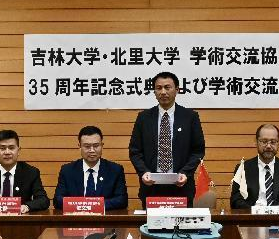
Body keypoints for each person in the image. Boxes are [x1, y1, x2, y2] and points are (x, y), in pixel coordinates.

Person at [129, 71, 205, 207]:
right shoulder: (144, 118)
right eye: (158, 88)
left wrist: (185, 172)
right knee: (151, 222)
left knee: (181, 222)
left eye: (167, 87)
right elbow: (135, 151)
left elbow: (197, 151)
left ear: (177, 90)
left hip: (181, 186)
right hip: (151, 186)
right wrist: (144, 172)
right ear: (154, 91)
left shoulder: (190, 117)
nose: (163, 92)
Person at [54, 125, 128, 211]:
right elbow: (58, 200)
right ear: (79, 146)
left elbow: (122, 200)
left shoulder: (115, 170)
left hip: (105, 218)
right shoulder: (67, 170)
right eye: (87, 146)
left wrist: (94, 206)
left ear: (102, 146)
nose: (92, 150)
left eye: (96, 146)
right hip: (76, 218)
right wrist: (84, 206)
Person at [230, 123, 279, 209]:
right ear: (256, 142)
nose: (268, 146)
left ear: (278, 143)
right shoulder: (243, 169)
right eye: (264, 141)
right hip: (252, 216)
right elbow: (236, 201)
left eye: (273, 142)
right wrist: (255, 212)